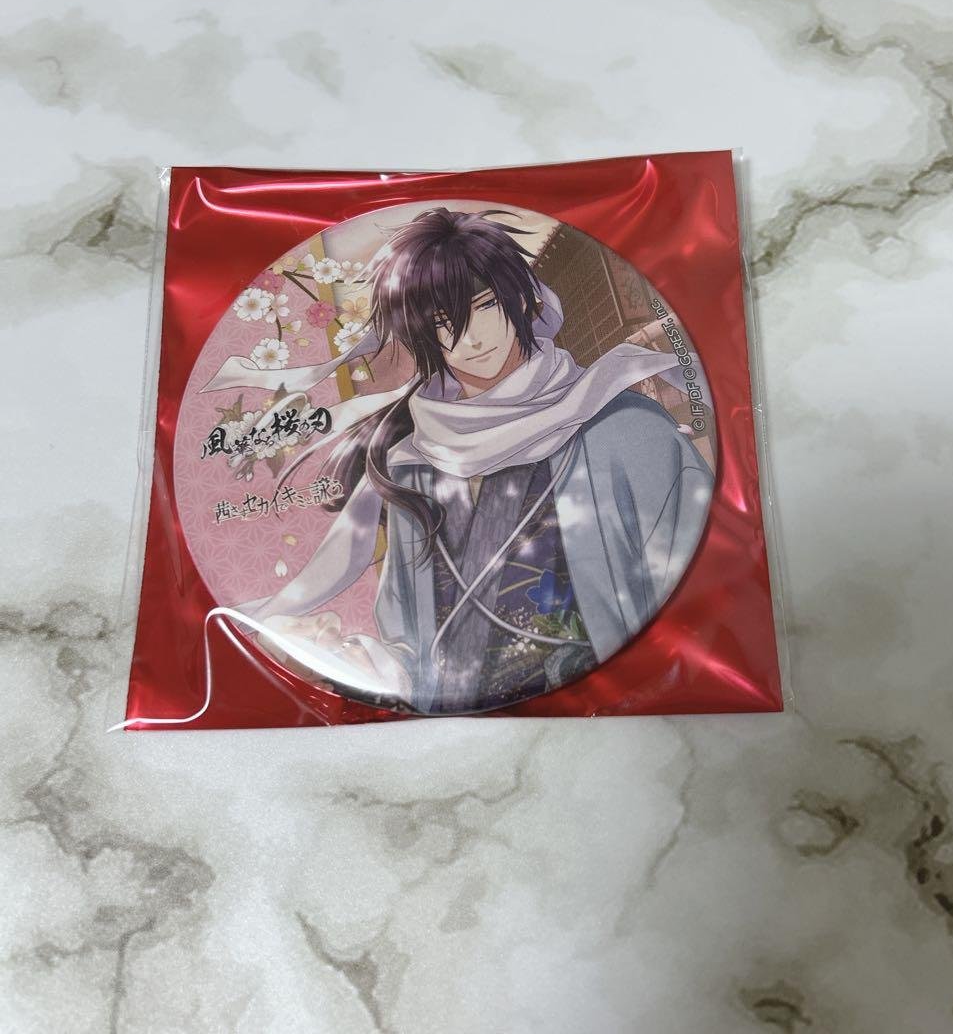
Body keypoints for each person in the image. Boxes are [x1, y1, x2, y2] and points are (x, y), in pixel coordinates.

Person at [204, 208, 714, 714]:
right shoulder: (414, 468)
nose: (471, 338)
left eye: (486, 305)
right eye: (443, 323)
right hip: (455, 730)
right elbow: (413, 643)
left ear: (523, 297)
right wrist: (356, 662)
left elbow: (699, 599)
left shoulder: (626, 429)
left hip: (607, 712)